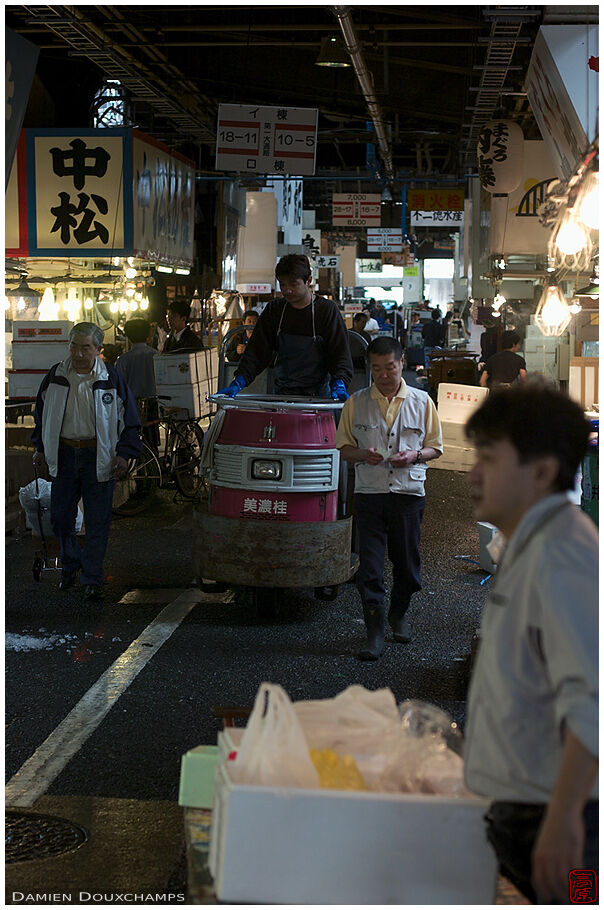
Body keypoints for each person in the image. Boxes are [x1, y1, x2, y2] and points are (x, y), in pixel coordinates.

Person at [463, 384, 598, 904]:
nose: (472, 473)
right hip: (526, 809)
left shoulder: (565, 554)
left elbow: (593, 698)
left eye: (489, 459)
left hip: (565, 822)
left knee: (580, 900)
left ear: (541, 472)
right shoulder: (530, 541)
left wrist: (565, 821)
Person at [336, 336, 443, 659]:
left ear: (402, 365)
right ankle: (375, 631)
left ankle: (398, 614)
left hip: (408, 495)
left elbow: (436, 447)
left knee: (408, 567)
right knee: (369, 566)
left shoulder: (423, 402)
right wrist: (361, 454)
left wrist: (414, 455)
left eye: (390, 367)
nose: (383, 374)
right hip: (370, 494)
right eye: (377, 368)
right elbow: (344, 448)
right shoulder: (355, 402)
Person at [32, 322, 142, 600]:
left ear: (98, 350)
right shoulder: (55, 376)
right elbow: (41, 414)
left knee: (97, 521)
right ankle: (71, 563)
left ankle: (91, 578)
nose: (78, 353)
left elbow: (129, 420)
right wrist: (40, 448)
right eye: (74, 346)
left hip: (99, 456)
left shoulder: (111, 378)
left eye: (85, 348)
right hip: (65, 454)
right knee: (59, 517)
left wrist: (125, 454)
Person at [217, 254, 353, 400]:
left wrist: (340, 381)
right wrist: (240, 379)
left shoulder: (326, 310)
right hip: (282, 394)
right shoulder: (275, 309)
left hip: (318, 397)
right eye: (283, 284)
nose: (287, 290)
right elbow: (257, 350)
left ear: (308, 281)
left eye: (293, 284)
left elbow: (339, 352)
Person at [115, 318, 157, 399]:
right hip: (156, 402)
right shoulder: (157, 355)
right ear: (148, 334)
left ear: (128, 336)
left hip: (132, 404)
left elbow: (119, 386)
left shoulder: (123, 360)